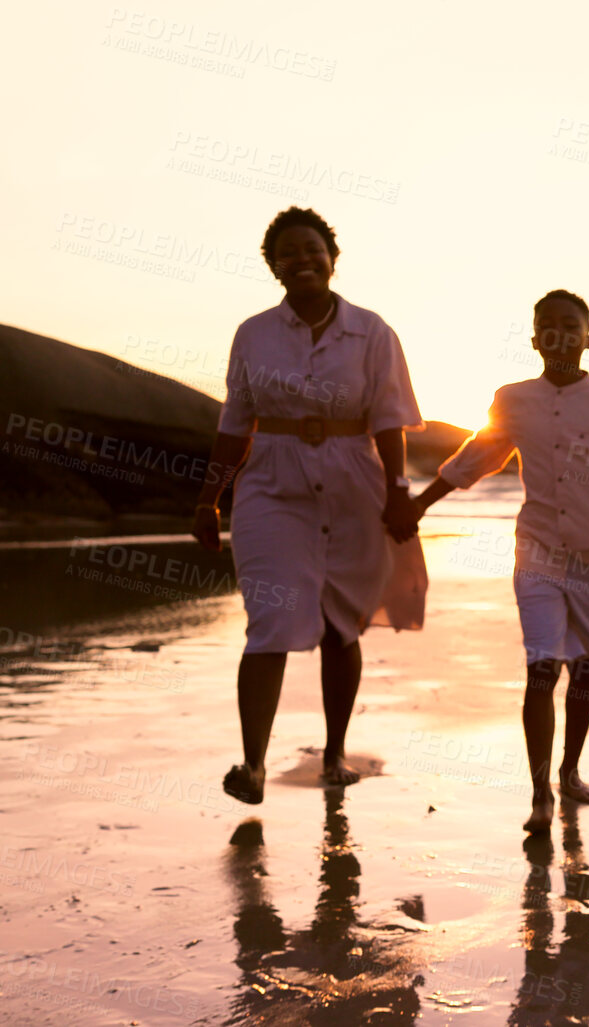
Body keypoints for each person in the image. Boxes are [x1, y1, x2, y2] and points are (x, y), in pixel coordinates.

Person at [405, 289, 589, 833]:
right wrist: (418, 507)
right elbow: (475, 459)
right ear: (533, 340)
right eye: (547, 325)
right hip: (537, 551)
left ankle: (570, 774)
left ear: (588, 339)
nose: (559, 334)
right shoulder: (512, 398)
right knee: (542, 665)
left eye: (570, 326)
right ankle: (539, 794)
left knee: (585, 668)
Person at [192, 206, 427, 806]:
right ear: (273, 267)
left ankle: (334, 753)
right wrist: (208, 499)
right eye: (287, 253)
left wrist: (399, 492)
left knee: (341, 624)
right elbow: (234, 422)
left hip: (354, 484)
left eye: (312, 249)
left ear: (333, 257)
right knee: (269, 621)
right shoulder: (254, 334)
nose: (302, 260)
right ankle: (251, 766)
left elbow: (391, 419)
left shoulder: (372, 332)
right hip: (272, 483)